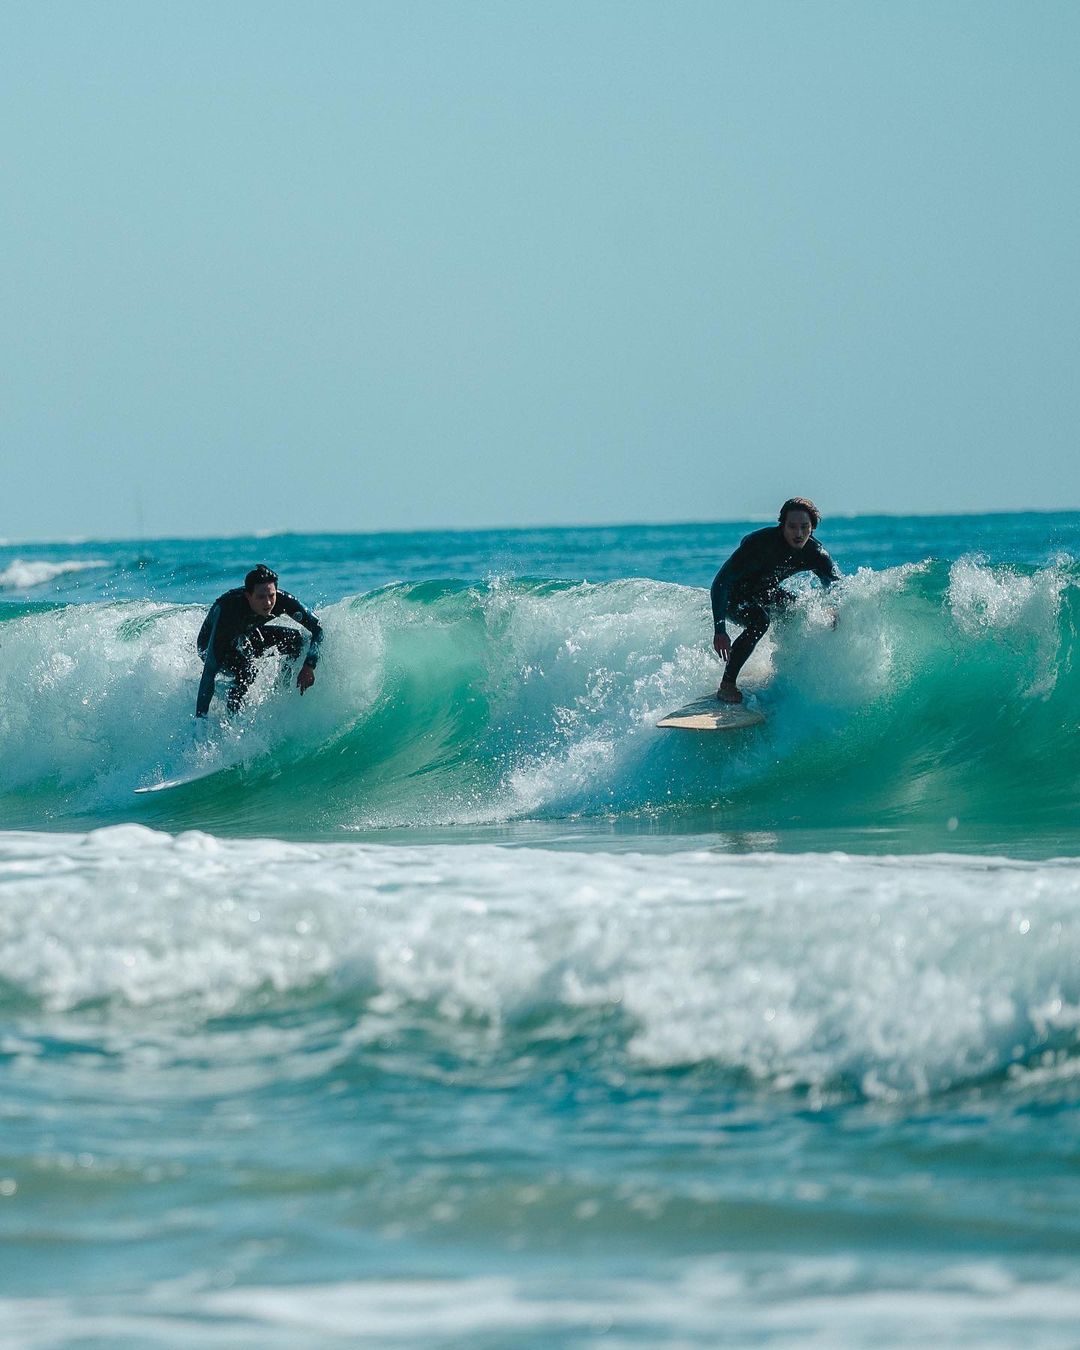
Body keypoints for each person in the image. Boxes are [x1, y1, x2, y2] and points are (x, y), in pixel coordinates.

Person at [710, 498, 839, 704]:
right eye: (792, 527)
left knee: (798, 611)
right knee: (760, 621)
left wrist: (833, 609)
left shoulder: (816, 554)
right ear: (782, 526)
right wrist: (720, 629)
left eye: (804, 527)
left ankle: (785, 671)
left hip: (763, 591)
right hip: (732, 595)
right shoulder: (760, 544)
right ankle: (727, 685)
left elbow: (834, 585)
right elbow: (720, 582)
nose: (798, 534)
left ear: (812, 528)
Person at [195, 565, 323, 717]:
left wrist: (309, 665)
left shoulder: (282, 601)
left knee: (297, 641)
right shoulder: (228, 612)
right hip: (210, 643)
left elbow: (318, 628)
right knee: (247, 671)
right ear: (248, 596)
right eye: (261, 597)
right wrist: (200, 722)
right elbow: (209, 673)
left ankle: (281, 689)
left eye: (271, 595)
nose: (268, 603)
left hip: (245, 636)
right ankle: (231, 718)